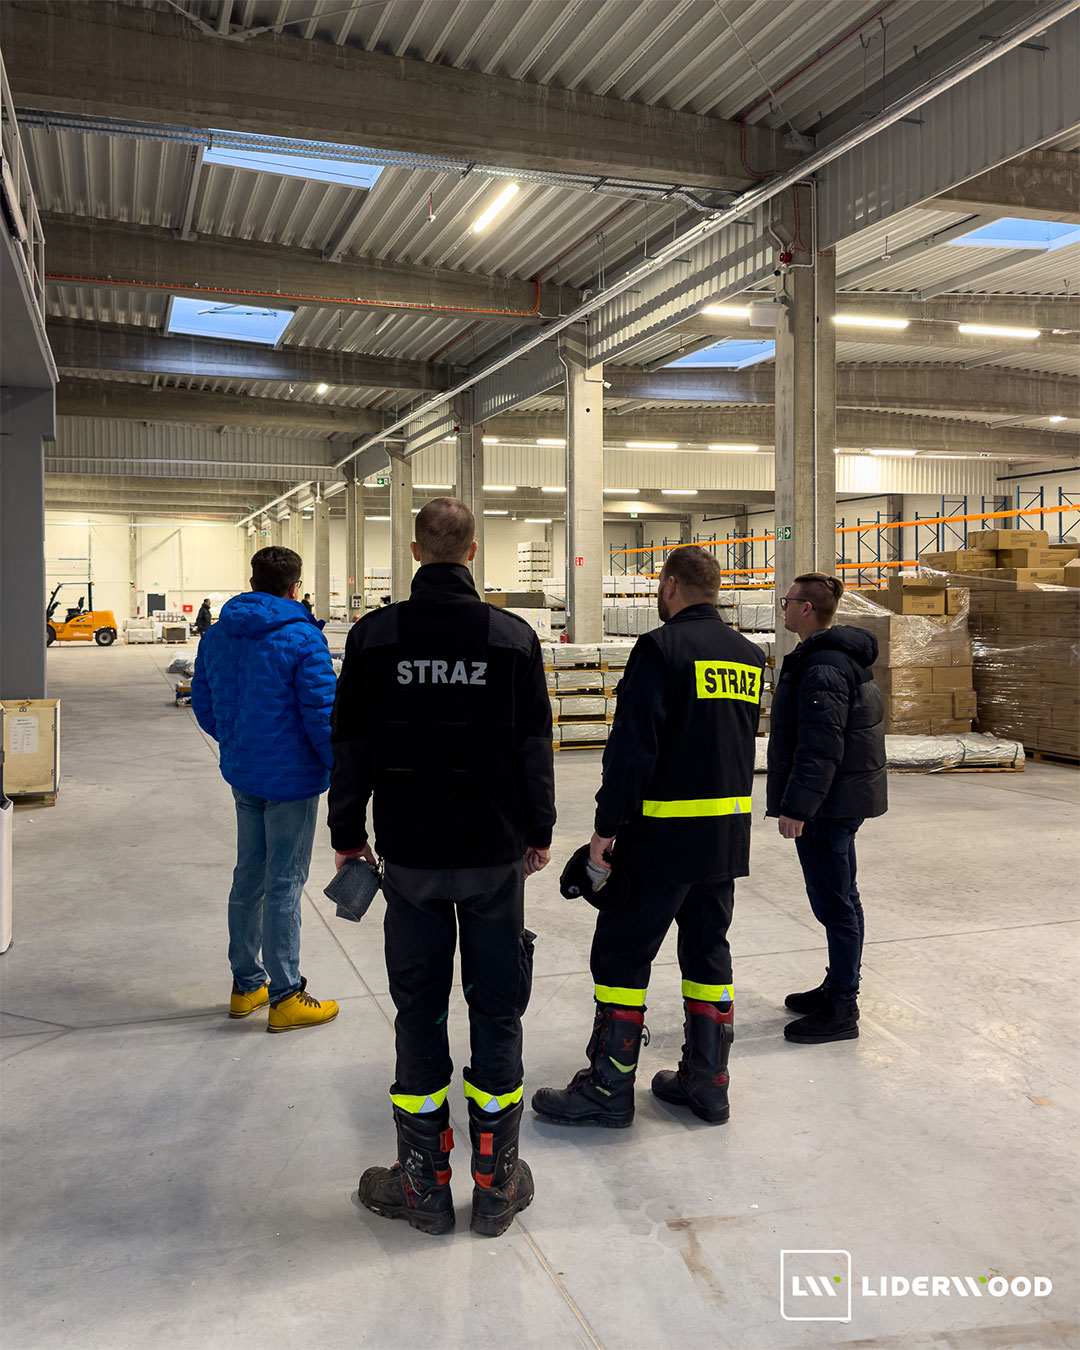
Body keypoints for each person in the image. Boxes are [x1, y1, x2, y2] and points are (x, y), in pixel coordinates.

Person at [329, 498, 555, 1238]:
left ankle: (423, 1185)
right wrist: (540, 830)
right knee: (497, 1007)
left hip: (412, 856)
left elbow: (351, 744)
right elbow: (534, 745)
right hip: (493, 855)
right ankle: (496, 1184)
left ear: (416, 550)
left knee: (419, 1010)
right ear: (473, 551)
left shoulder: (374, 636)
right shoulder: (511, 637)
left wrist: (347, 834)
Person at [532, 545, 765, 1130]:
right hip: (723, 841)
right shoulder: (747, 655)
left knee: (621, 954)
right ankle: (708, 1083)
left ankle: (608, 1087)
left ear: (671, 585)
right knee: (707, 951)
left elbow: (633, 752)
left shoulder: (661, 649)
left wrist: (605, 829)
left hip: (661, 839)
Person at [191, 547, 339, 1034]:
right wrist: (340, 769)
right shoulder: (303, 637)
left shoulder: (218, 635)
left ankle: (246, 984)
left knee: (249, 875)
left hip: (244, 772)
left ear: (252, 581)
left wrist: (237, 741)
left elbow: (205, 704)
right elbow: (322, 716)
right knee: (285, 884)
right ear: (295, 587)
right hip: (292, 780)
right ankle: (286, 995)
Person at [766, 572, 887, 1045]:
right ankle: (837, 985)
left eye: (788, 602)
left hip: (827, 805)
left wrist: (798, 806)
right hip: (838, 799)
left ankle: (842, 1007)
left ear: (806, 609)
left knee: (835, 905)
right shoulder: (834, 657)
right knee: (842, 898)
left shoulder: (823, 666)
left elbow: (821, 745)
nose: (784, 608)